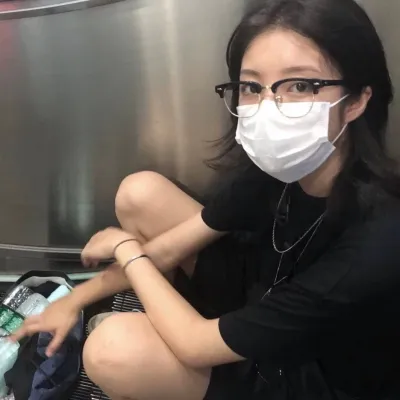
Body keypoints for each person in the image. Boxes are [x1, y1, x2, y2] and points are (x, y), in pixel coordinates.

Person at [11, 0, 400, 398]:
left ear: (357, 99)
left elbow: (195, 345)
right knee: (141, 194)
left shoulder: (377, 240)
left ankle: (158, 349)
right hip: (261, 306)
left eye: (299, 86)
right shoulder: (279, 169)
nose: (269, 108)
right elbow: (173, 246)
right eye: (252, 87)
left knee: (112, 349)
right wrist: (75, 300)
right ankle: (164, 333)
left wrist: (126, 249)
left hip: (301, 380)